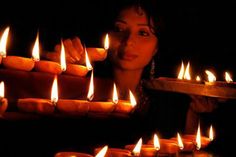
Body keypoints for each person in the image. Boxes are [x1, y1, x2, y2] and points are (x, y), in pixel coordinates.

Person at [43, 0, 217, 136]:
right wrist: (57, 66)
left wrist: (195, 112)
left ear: (156, 48)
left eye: (143, 33)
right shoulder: (79, 89)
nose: (128, 41)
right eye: (119, 29)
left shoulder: (168, 104)